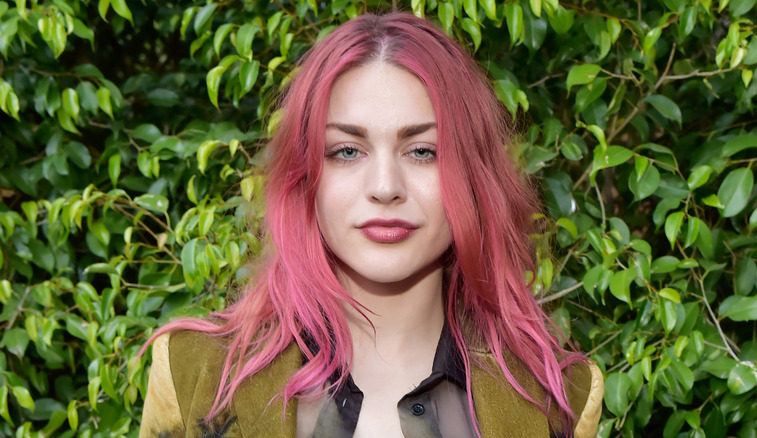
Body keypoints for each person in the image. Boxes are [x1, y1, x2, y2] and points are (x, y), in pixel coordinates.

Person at [139, 11, 603, 438]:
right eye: (346, 150)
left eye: (423, 151)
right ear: (305, 178)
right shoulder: (190, 373)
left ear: (473, 175)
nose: (385, 187)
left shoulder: (561, 399)